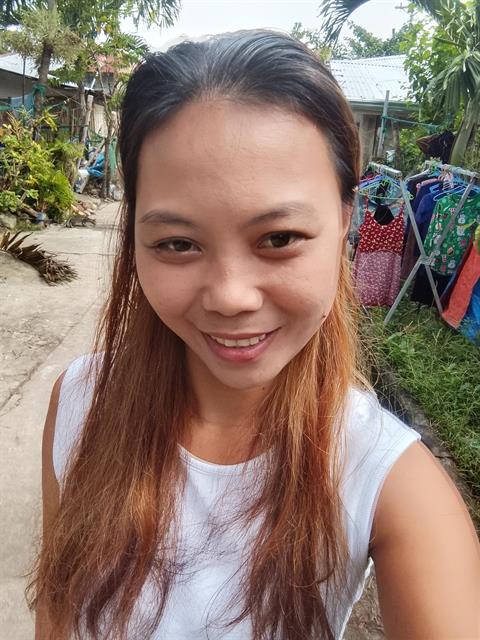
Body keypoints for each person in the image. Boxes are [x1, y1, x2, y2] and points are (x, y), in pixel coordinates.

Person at [29, 30, 479, 640]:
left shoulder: (393, 486)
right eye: (177, 243)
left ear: (346, 220)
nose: (230, 296)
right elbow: (56, 616)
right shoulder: (82, 401)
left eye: (279, 238)